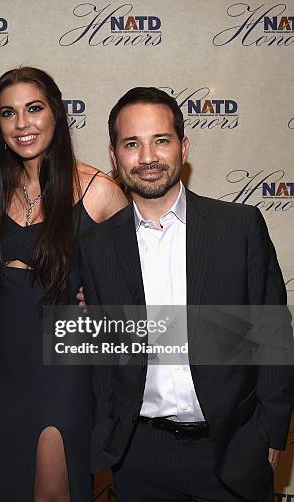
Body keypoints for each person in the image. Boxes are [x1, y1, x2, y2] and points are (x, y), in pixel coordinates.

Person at [80, 87, 293, 501]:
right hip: (138, 457)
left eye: (160, 140)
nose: (147, 158)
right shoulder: (97, 246)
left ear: (183, 146)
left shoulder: (239, 227)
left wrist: (269, 433)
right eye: (131, 144)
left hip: (232, 448)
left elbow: (273, 336)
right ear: (114, 156)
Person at [0, 67, 127, 501]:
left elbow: (137, 297)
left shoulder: (98, 190)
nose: (22, 123)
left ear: (57, 114)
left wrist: (100, 309)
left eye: (34, 108)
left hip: (65, 368)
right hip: (1, 366)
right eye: (9, 113)